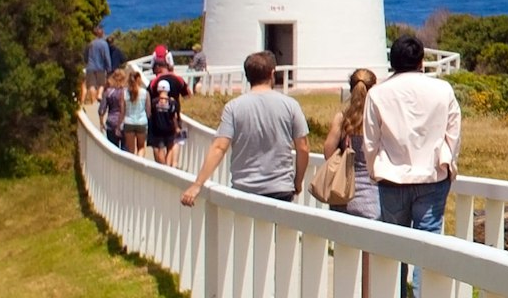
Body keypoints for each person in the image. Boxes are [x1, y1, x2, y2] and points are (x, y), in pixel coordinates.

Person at [363, 33, 462, 298]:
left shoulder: (378, 93)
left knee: (395, 243)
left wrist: (374, 169)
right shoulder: (442, 89)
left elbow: (371, 141)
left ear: (392, 61)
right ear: (421, 60)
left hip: (392, 177)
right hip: (432, 175)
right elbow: (453, 132)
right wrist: (447, 160)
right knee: (428, 237)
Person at [182, 52, 310, 210]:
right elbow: (303, 147)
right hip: (280, 188)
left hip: (245, 189)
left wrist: (197, 184)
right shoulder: (291, 105)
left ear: (247, 76)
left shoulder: (233, 107)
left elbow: (219, 147)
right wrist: (297, 182)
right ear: (272, 73)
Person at [329, 68, 380, 221]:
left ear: (351, 89)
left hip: (343, 194)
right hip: (373, 197)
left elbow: (328, 151)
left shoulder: (342, 119)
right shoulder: (378, 120)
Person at [141, 57, 187, 165]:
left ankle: (162, 166)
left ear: (158, 67)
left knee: (158, 146)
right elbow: (188, 94)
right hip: (173, 116)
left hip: (156, 120)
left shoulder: (154, 82)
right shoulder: (178, 79)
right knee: (173, 143)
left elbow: (148, 97)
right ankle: (172, 164)